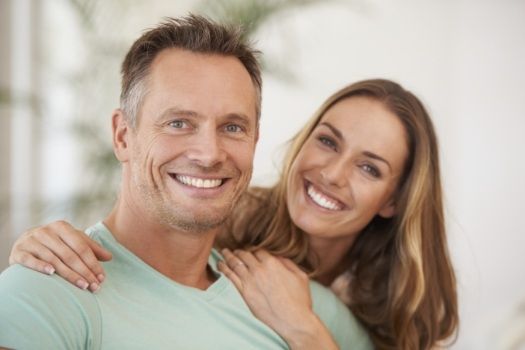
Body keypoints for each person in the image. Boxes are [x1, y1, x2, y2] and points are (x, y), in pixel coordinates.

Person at [0, 15, 371, 350]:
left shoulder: (301, 307)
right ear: (123, 136)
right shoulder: (47, 291)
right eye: (179, 123)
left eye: (232, 127)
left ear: (255, 141)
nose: (209, 154)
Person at [9, 78, 459, 349]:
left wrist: (305, 330)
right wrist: (36, 247)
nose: (333, 174)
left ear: (394, 200)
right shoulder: (225, 215)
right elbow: (135, 239)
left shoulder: (391, 293)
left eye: (368, 167)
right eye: (327, 141)